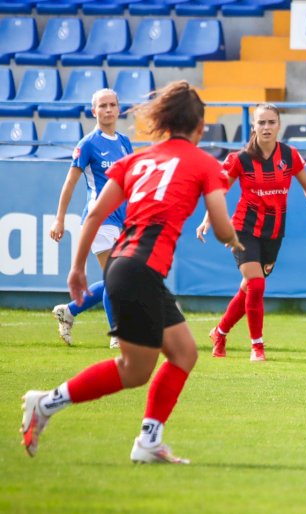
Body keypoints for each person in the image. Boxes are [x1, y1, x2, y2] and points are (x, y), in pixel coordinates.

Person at [21, 80, 244, 463]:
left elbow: (93, 213)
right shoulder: (205, 164)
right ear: (200, 126)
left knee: (184, 353)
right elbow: (222, 228)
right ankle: (45, 404)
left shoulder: (136, 159)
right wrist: (236, 241)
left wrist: (76, 268)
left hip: (129, 267)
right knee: (134, 370)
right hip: (140, 271)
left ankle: (149, 442)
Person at [196, 103, 306, 362]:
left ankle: (219, 332)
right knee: (256, 285)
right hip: (243, 229)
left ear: (279, 125)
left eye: (271, 122)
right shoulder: (240, 159)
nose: (266, 127)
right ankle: (257, 347)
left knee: (248, 288)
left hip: (274, 232)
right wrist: (207, 220)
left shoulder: (290, 156)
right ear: (253, 126)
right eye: (261, 123)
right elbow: (219, 191)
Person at [49, 88, 133, 349]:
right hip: (100, 219)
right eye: (103, 106)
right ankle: (118, 335)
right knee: (115, 277)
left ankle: (69, 311)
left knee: (119, 278)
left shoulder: (125, 142)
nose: (108, 110)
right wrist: (59, 219)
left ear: (119, 109)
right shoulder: (87, 144)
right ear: (93, 110)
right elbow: (70, 183)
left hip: (122, 219)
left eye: (112, 105)